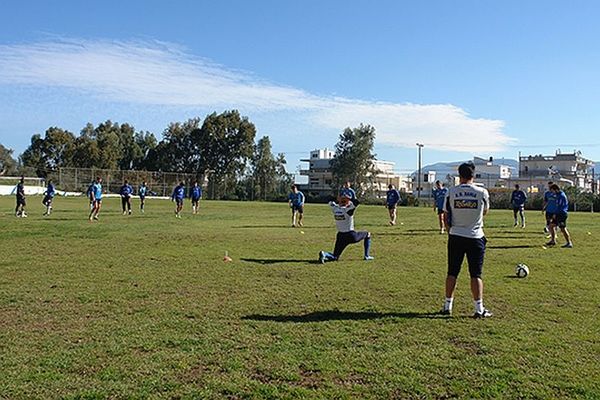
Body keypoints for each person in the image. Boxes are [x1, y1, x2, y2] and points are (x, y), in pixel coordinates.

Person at [441, 162, 492, 318]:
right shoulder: (482, 192)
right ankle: (479, 309)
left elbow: (445, 215)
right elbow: (485, 212)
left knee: (452, 272)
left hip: (456, 236)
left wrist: (451, 230)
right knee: (476, 274)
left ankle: (447, 305)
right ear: (473, 175)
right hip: (475, 237)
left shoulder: (451, 192)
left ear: (459, 175)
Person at [318, 194, 374, 263]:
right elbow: (357, 202)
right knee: (367, 234)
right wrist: (349, 198)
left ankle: (324, 254)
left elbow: (329, 198)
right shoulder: (347, 210)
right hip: (350, 235)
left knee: (335, 256)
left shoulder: (335, 208)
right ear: (347, 202)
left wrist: (338, 198)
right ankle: (367, 256)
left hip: (340, 235)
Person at [547, 184, 573, 248]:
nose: (552, 192)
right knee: (550, 226)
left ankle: (569, 243)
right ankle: (553, 241)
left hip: (561, 214)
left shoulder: (561, 196)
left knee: (563, 228)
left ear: (555, 189)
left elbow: (560, 206)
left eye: (552, 190)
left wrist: (555, 214)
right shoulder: (558, 195)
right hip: (558, 213)